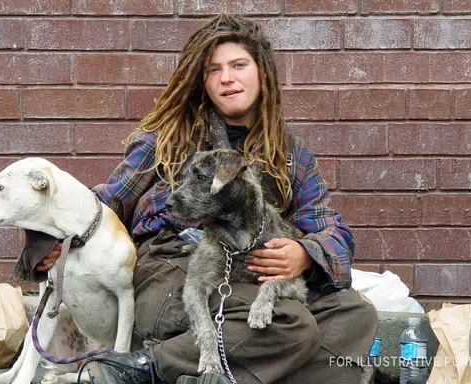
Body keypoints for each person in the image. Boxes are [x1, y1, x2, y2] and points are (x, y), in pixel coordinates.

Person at [36, 14, 378, 384]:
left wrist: (305, 255)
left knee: (355, 314)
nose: (227, 77)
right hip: (173, 274)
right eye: (214, 70)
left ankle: (202, 378)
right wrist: (49, 241)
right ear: (202, 82)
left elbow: (333, 231)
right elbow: (106, 201)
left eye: (238, 65)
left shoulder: (291, 154)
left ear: (262, 72)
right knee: (291, 325)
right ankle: (142, 369)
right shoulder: (168, 138)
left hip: (253, 274)